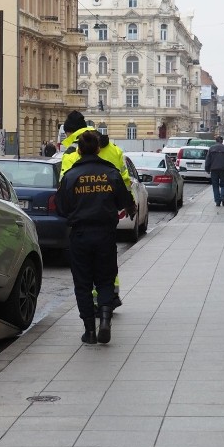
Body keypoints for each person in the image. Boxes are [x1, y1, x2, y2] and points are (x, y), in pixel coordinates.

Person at [55, 130, 136, 344]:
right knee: (105, 279)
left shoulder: (71, 176)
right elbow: (123, 201)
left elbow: (61, 208)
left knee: (82, 284)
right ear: (99, 148)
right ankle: (106, 321)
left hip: (80, 235)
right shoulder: (110, 173)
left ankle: (89, 331)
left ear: (79, 150)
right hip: (105, 234)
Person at [60, 110, 131, 309]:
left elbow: (65, 187)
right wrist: (124, 204)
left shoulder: (73, 151)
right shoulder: (113, 147)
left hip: (82, 220)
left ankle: (94, 306)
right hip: (107, 216)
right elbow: (123, 179)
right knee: (107, 262)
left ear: (70, 132)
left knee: (85, 269)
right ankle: (110, 298)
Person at [206, 136, 224, 207]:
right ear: (222, 141)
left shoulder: (211, 149)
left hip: (214, 170)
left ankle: (217, 201)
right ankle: (222, 197)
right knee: (223, 184)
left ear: (216, 141)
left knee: (215, 185)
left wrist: (207, 169)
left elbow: (208, 160)